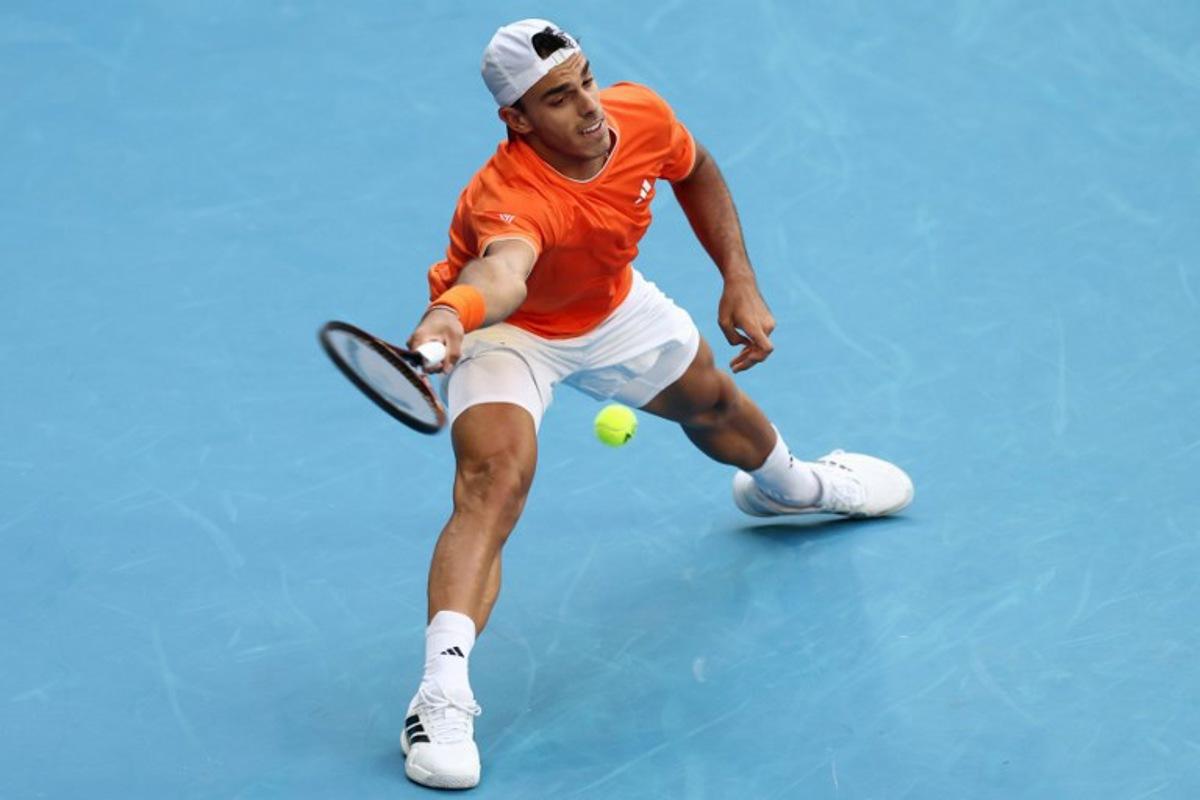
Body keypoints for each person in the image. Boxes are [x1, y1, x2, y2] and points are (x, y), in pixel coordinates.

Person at [398, 19, 914, 790]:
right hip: (507, 331)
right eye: (557, 99)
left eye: (584, 81)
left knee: (715, 405)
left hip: (610, 312)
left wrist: (737, 275)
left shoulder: (634, 115)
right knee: (492, 483)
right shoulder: (508, 197)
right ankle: (440, 696)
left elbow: (696, 166)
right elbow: (504, 274)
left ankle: (793, 488)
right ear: (516, 119)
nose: (587, 108)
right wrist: (451, 317)